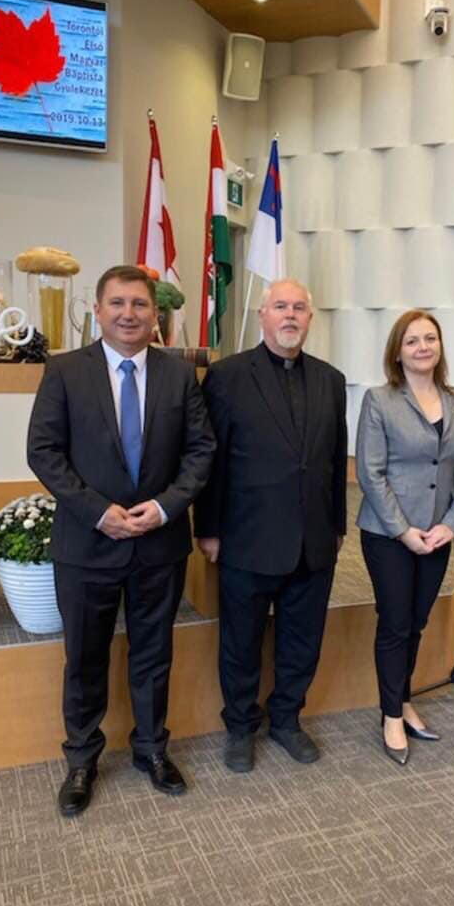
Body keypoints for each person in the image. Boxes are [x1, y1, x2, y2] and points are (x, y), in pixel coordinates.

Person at [27, 265, 215, 816]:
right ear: (98, 310)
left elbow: (201, 450)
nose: (128, 314)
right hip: (87, 545)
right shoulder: (65, 371)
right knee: (85, 657)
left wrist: (165, 506)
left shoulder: (179, 375)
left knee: (154, 654)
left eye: (139, 304)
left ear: (155, 313)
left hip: (159, 543)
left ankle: (152, 749)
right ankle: (81, 759)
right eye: (117, 303)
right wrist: (97, 512)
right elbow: (43, 451)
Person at [195, 279, 348, 773]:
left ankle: (286, 720)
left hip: (313, 540)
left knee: (302, 641)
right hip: (247, 537)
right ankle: (241, 727)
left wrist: (338, 525)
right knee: (240, 641)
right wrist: (208, 529)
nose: (290, 315)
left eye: (299, 307)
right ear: (262, 316)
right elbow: (211, 460)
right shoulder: (226, 376)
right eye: (280, 306)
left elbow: (333, 462)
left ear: (310, 318)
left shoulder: (331, 380)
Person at [356, 310, 454, 765]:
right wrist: (404, 531)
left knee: (417, 622)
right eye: (412, 341)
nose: (422, 347)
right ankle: (391, 715)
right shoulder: (379, 400)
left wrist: (453, 522)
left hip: (439, 534)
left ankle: (403, 698)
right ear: (397, 351)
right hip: (389, 534)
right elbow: (370, 472)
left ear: (440, 346)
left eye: (430, 338)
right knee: (395, 623)